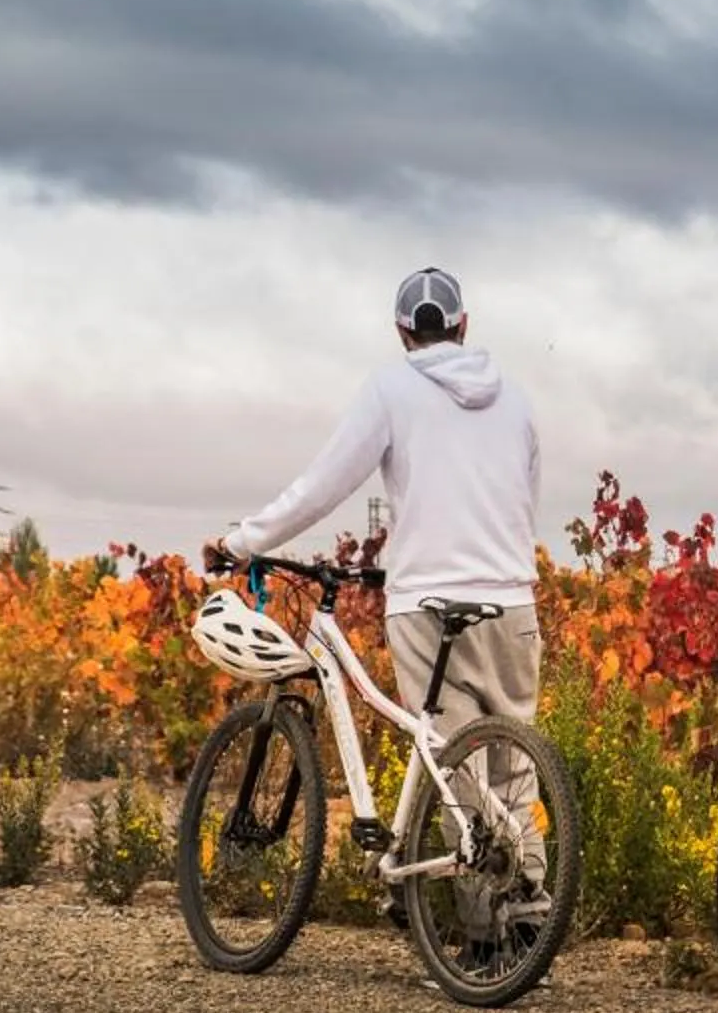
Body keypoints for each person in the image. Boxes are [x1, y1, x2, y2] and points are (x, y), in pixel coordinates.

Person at [223, 266, 542, 953]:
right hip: (513, 600)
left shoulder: (391, 388)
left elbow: (323, 484)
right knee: (512, 768)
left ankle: (484, 938)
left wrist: (242, 541)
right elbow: (525, 492)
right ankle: (531, 917)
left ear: (403, 332)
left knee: (453, 765)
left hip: (427, 601)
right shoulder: (515, 398)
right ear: (463, 325)